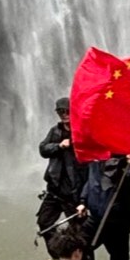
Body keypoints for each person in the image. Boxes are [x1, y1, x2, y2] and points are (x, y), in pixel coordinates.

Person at [35, 98, 84, 238]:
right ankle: (57, 255)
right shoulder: (55, 131)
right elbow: (43, 149)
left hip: (74, 190)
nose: (64, 114)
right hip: (55, 188)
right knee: (44, 223)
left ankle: (79, 258)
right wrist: (59, 146)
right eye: (60, 112)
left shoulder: (81, 131)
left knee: (78, 229)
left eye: (67, 111)